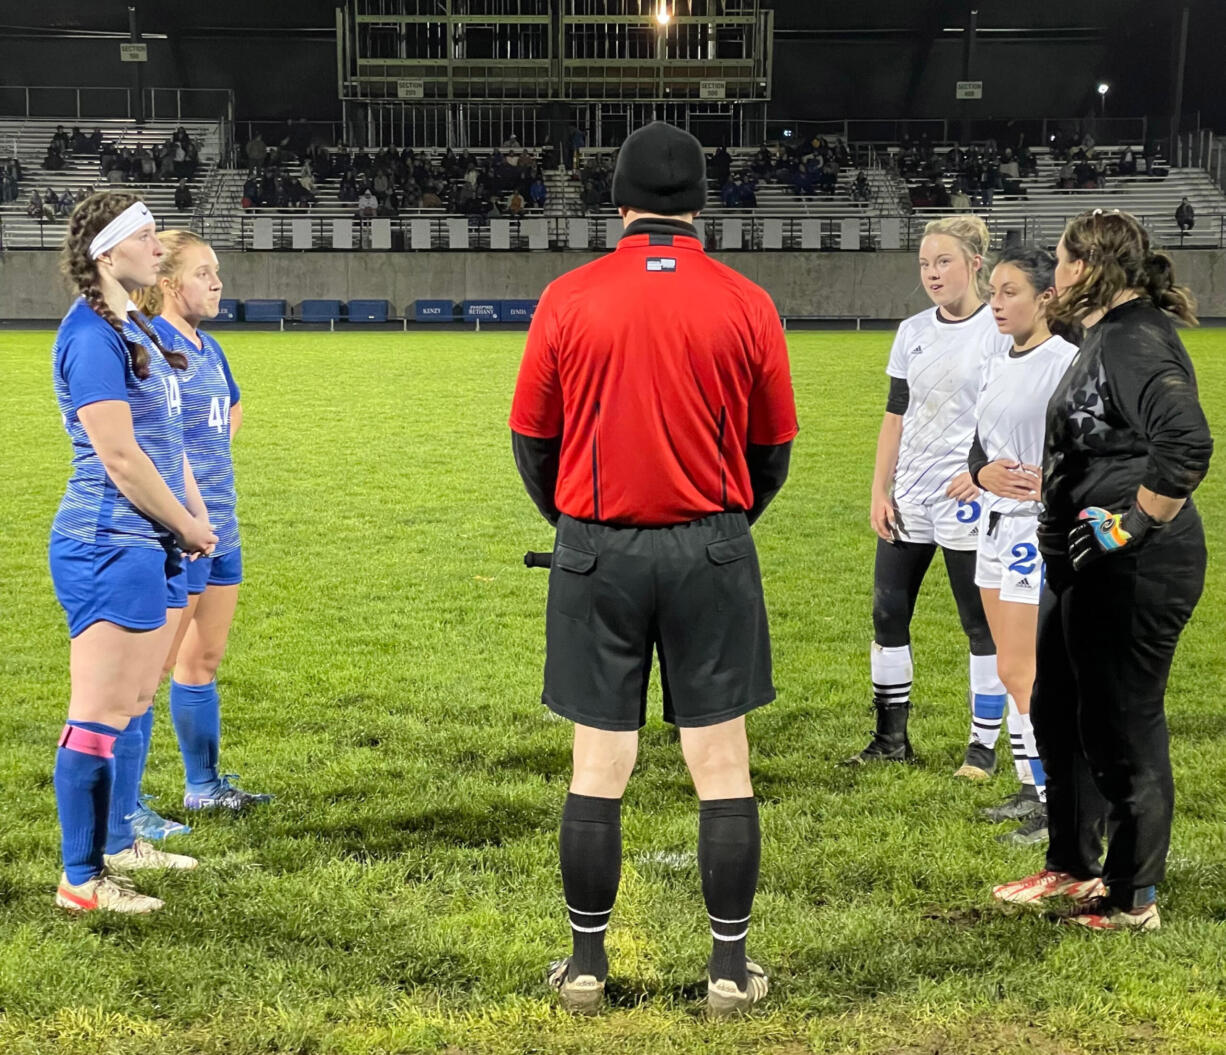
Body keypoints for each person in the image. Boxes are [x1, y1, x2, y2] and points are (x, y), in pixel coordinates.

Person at [510, 122, 797, 1018]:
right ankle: (726, 972)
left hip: (598, 545)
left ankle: (588, 969)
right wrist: (721, 519)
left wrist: (577, 523)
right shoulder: (747, 300)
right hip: (711, 543)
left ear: (620, 201)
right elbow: (772, 448)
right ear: (701, 205)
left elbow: (532, 441)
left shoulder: (568, 295)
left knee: (598, 763)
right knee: (721, 760)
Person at [992, 210, 1212, 930]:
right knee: (1060, 708)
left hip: (1136, 566)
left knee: (1122, 722)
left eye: (1058, 263)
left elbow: (1185, 441)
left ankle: (1132, 894)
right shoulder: (1103, 334)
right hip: (1087, 565)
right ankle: (1075, 863)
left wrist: (1134, 520)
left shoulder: (1137, 338)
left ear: (1084, 269)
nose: (1051, 277)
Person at [49, 192, 216, 914]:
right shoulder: (91, 334)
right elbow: (119, 455)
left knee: (133, 700)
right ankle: (81, 878)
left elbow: (163, 443)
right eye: (146, 237)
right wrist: (182, 520)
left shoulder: (137, 328)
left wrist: (193, 514)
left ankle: (117, 840)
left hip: (151, 538)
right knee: (97, 711)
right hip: (108, 539)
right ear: (107, 254)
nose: (158, 247)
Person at [848, 215, 1012, 776]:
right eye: (924, 263)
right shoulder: (912, 331)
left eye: (944, 261)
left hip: (969, 496)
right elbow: (895, 415)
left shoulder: (1000, 328)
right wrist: (879, 489)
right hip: (910, 498)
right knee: (888, 615)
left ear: (975, 264)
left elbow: (1012, 412)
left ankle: (982, 749)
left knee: (978, 623)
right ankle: (890, 740)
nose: (932, 273)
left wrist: (983, 471)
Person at [126, 230, 270, 837]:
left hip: (222, 527)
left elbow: (232, 407)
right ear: (166, 284)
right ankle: (124, 809)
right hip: (173, 532)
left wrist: (210, 464)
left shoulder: (207, 348)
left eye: (217, 272)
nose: (217, 282)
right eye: (204, 272)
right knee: (142, 679)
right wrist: (182, 505)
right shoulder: (146, 347)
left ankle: (203, 788)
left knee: (202, 661)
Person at [968, 247, 1077, 845]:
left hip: (1034, 529)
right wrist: (982, 474)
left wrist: (1052, 483)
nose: (997, 302)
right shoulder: (995, 360)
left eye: (1011, 291)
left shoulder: (1067, 362)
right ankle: (1030, 783)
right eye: (994, 292)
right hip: (994, 522)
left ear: (1047, 298)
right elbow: (979, 448)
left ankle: (1054, 797)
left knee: (1025, 669)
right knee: (1013, 672)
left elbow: (1090, 446)